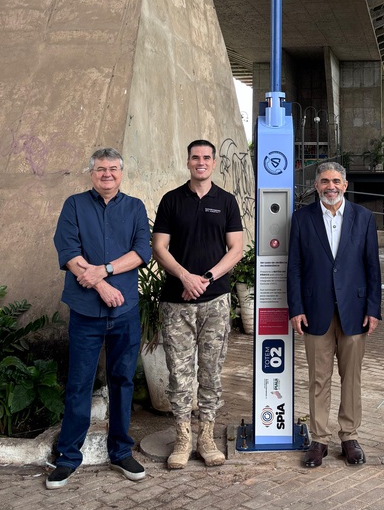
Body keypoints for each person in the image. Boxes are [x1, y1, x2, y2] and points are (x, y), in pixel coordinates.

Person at [47, 148, 150, 490]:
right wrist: (101, 285)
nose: (107, 174)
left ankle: (120, 452)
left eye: (113, 169)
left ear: (122, 173)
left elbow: (141, 252)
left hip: (125, 312)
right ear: (91, 174)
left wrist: (104, 270)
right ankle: (67, 458)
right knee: (79, 383)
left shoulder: (134, 207)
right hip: (86, 311)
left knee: (122, 381)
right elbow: (68, 251)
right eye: (101, 169)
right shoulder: (74, 205)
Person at [152, 139, 243, 469]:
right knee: (179, 375)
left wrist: (205, 276)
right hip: (177, 303)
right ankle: (182, 438)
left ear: (214, 163)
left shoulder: (227, 201)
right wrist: (184, 277)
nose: (200, 162)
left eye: (206, 157)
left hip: (215, 301)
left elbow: (236, 249)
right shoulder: (172, 200)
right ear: (188, 162)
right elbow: (159, 247)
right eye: (195, 157)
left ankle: (206, 437)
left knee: (211, 373)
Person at [287, 162, 382, 468]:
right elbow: (295, 268)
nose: (331, 185)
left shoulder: (364, 217)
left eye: (336, 181)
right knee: (318, 378)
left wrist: (373, 309)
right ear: (316, 186)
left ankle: (349, 436)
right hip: (316, 310)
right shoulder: (302, 219)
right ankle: (319, 440)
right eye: (325, 181)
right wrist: (296, 308)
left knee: (351, 377)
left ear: (345, 184)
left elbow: (372, 266)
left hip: (354, 310)